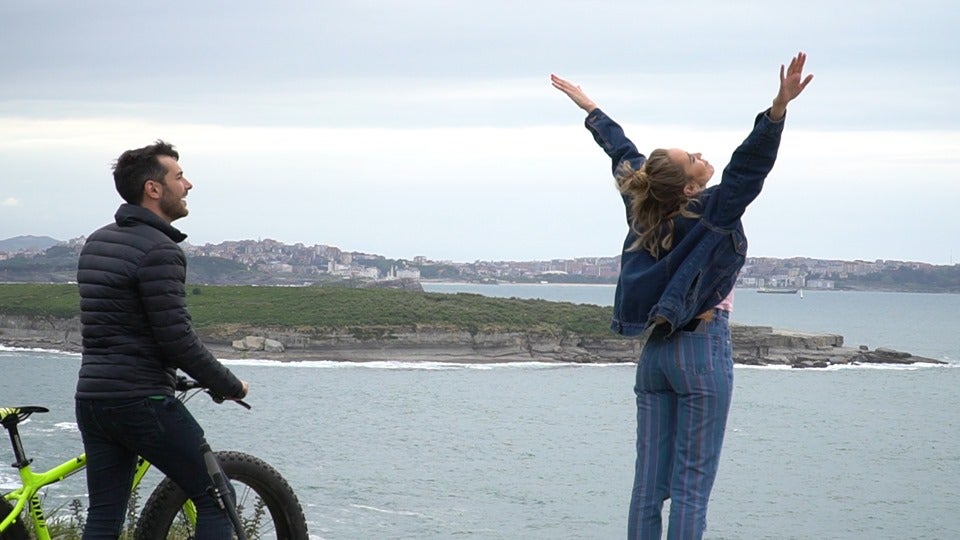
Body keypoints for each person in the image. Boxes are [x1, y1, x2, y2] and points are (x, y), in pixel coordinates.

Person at [552, 53, 813, 539]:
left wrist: (590, 107)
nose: (699, 152)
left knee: (648, 489)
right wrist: (777, 110)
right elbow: (748, 166)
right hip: (700, 351)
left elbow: (624, 155)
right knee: (691, 488)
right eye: (692, 158)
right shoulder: (711, 209)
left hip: (655, 358)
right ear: (692, 185)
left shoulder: (645, 206)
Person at [75, 140, 250, 539]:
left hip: (93, 398)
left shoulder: (97, 241)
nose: (189, 185)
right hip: (143, 401)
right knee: (217, 500)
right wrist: (228, 384)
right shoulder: (160, 250)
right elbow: (177, 340)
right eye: (179, 176)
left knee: (103, 515)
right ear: (153, 189)